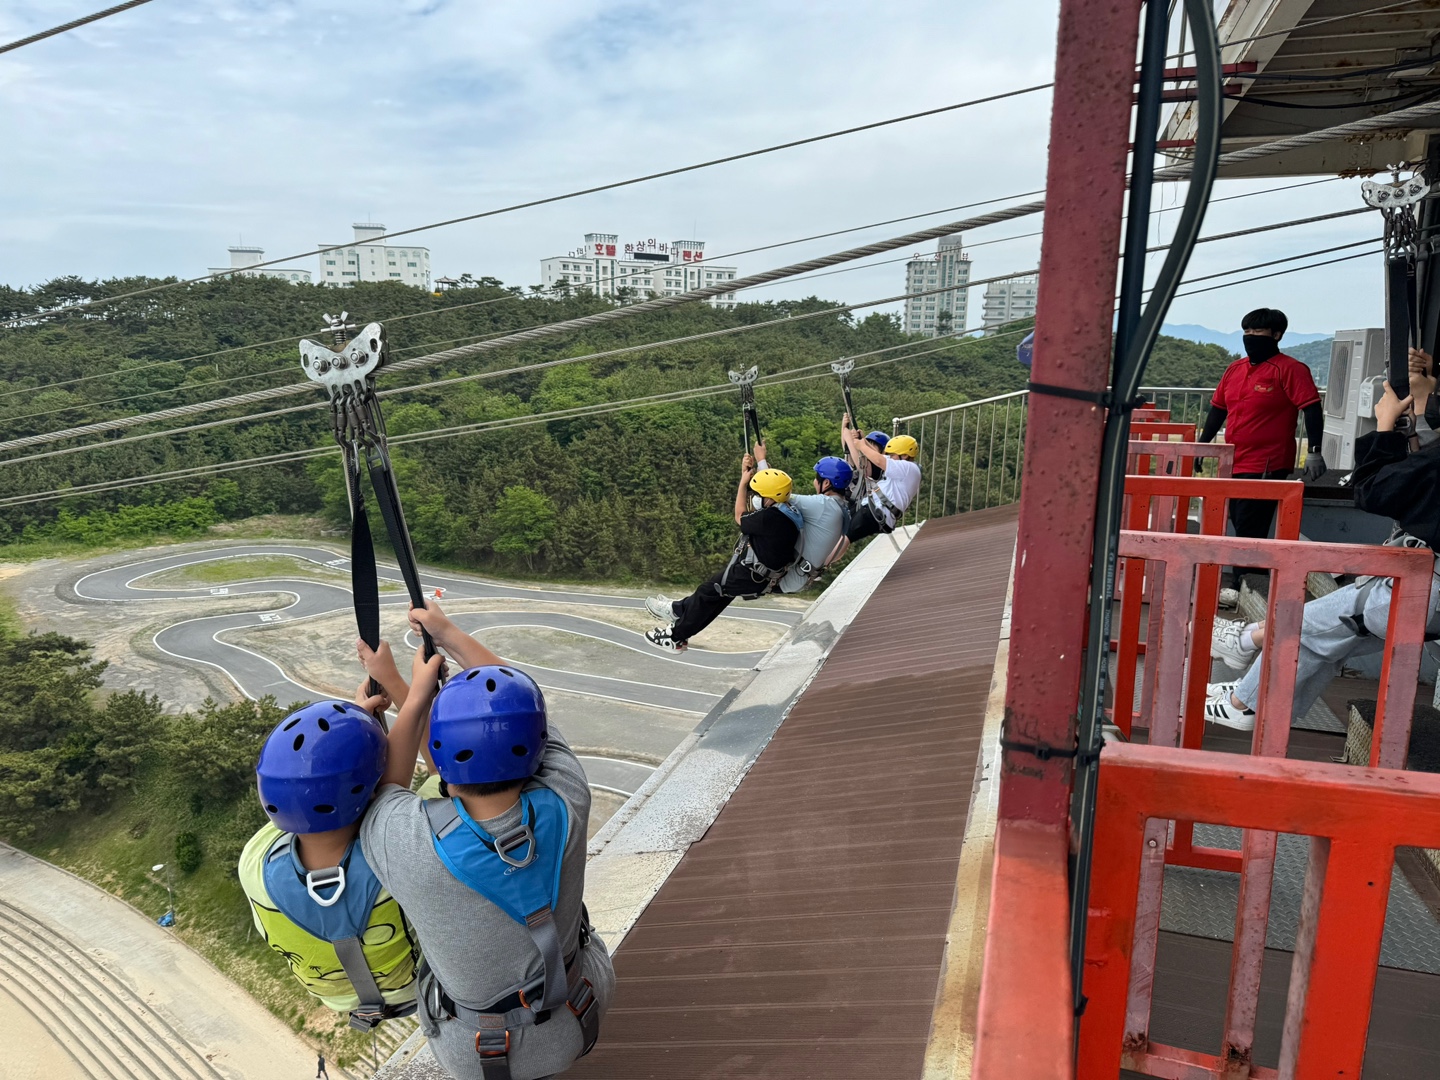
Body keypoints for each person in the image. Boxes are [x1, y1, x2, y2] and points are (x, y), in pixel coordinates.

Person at [360, 601, 613, 1080]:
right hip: (579, 1014)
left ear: (438, 759)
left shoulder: (405, 841)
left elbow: (389, 787)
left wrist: (410, 696)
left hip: (472, 1053)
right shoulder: (567, 795)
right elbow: (521, 698)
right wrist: (447, 632)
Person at [1205, 377, 1440, 730]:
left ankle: (1244, 693)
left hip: (1425, 592)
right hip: (1422, 585)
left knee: (1306, 628)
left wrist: (1385, 428)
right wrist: (1420, 406)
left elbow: (1378, 491)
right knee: (1328, 633)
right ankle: (1245, 669)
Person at [238, 652, 424, 1030]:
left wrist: (355, 726)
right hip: (416, 986)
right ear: (372, 796)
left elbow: (373, 795)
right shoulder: (403, 856)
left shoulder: (254, 862)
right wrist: (414, 694)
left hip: (337, 997)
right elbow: (422, 779)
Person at [1197, 308, 1324, 593]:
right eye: (1247, 332)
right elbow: (1218, 410)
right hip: (1234, 460)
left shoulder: (1290, 369)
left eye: (1258, 332)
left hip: (1267, 462)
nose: (1250, 337)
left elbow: (1311, 409)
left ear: (1277, 335)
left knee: (1250, 527)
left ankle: (1245, 584)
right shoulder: (1235, 369)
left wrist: (1315, 450)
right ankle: (1244, 582)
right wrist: (1202, 445)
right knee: (1237, 521)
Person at [643, 452, 802, 652]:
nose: (756, 497)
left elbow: (739, 516)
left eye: (760, 494)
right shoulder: (787, 510)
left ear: (770, 497)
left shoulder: (769, 519)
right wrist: (757, 466)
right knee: (713, 595)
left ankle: (674, 637)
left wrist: (743, 483)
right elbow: (770, 489)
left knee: (709, 594)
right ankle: (677, 611)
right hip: (761, 574)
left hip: (751, 573)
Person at [843, 414, 921, 542]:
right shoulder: (902, 466)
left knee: (846, 537)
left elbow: (879, 461)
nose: (890, 457)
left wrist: (860, 445)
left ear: (905, 456)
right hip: (876, 508)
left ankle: (824, 560)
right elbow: (879, 458)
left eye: (893, 455)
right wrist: (863, 440)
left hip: (879, 511)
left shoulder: (908, 468)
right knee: (844, 532)